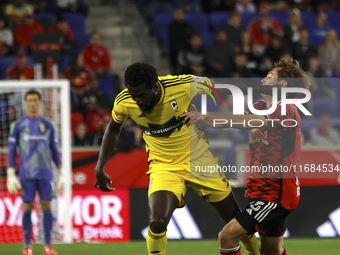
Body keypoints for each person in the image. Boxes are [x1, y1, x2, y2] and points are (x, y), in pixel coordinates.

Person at [94, 62, 260, 255]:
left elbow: (220, 87)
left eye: (141, 95)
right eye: (134, 95)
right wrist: (100, 166)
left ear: (155, 87)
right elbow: (113, 128)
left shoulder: (183, 86)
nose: (137, 100)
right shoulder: (124, 101)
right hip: (164, 166)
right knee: (157, 222)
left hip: (199, 160)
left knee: (235, 219)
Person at [181, 58, 311, 255]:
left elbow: (241, 121)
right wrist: (201, 114)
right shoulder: (260, 106)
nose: (263, 79)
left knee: (227, 236)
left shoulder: (285, 107)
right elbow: (231, 120)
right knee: (271, 252)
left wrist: (203, 117)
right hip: (264, 189)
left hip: (275, 192)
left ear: (283, 84)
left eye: (270, 76)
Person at [6, 90, 65, 255]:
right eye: (30, 100)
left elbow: (54, 149)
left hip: (46, 173)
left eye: (35, 100)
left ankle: (47, 245)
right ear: (25, 103)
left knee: (46, 205)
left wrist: (61, 171)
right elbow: (11, 151)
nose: (32, 103)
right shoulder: (18, 125)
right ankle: (27, 246)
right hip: (26, 174)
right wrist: (10, 172)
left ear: (40, 103)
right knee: (28, 206)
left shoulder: (48, 125)